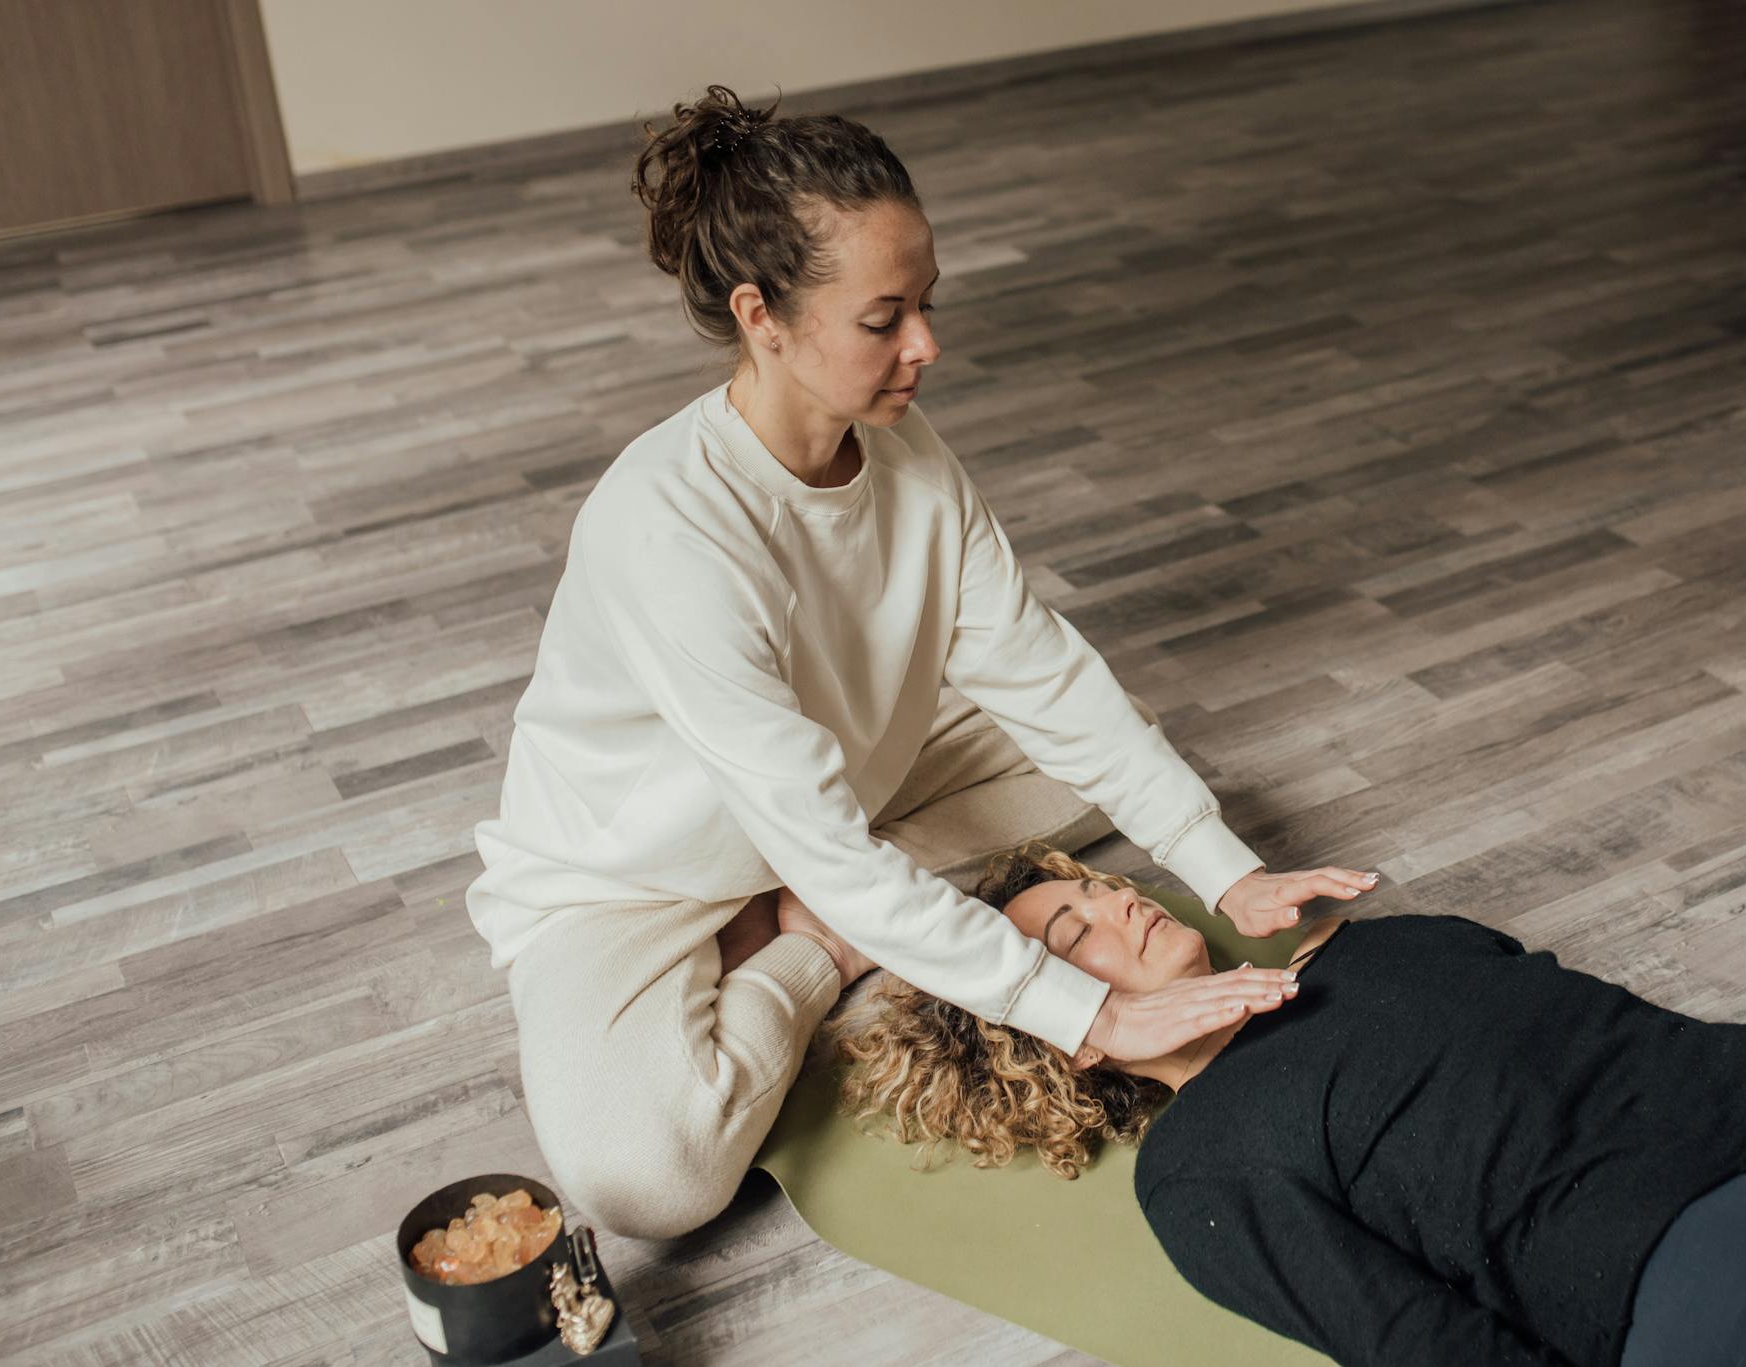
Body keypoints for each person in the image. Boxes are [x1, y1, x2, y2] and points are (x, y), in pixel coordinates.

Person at [465, 84, 1347, 1241]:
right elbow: (821, 835)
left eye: (925, 303)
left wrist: (1217, 863)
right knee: (650, 1176)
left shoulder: (909, 458)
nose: (925, 345)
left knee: (1094, 738)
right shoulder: (668, 528)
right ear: (761, 316)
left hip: (844, 786)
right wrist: (1083, 1014)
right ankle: (813, 942)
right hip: (637, 876)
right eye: (885, 317)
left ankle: (848, 901)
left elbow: (1041, 673)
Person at [834, 838, 1746, 1367]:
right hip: (1679, 1255)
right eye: (1067, 934)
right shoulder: (1197, 1169)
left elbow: (1637, 1032)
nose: (1118, 907)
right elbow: (1413, 1343)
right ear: (1052, 1038)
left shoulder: (1385, 943)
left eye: (1092, 891)